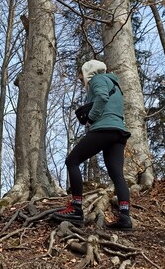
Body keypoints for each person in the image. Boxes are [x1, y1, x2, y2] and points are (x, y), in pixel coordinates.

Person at [52, 59, 133, 230]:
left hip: (104, 128)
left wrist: (91, 117)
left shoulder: (97, 79)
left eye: (81, 77)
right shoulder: (116, 85)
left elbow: (102, 97)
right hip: (119, 132)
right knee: (116, 173)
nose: (82, 81)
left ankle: (76, 208)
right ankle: (125, 217)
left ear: (89, 71)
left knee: (72, 161)